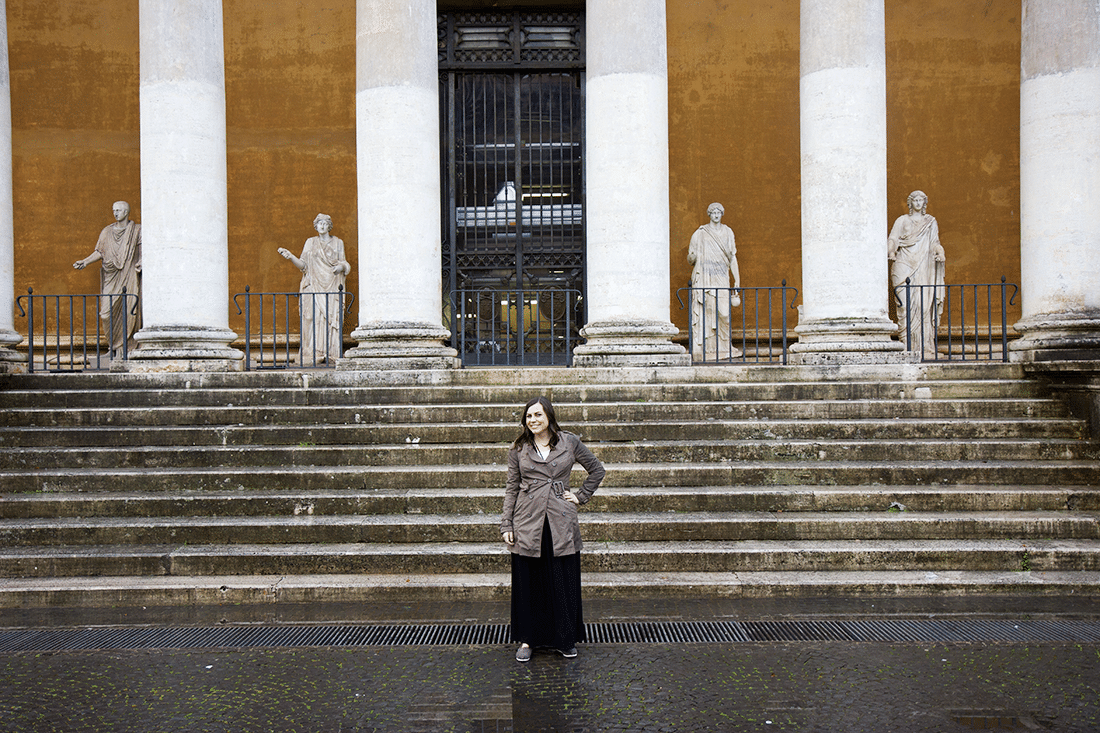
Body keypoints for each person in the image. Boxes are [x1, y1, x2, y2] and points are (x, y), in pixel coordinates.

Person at [501, 396, 605, 662]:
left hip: (560, 519)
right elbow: (512, 487)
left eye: (538, 415)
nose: (533, 420)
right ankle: (528, 639)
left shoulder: (569, 441)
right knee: (529, 582)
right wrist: (506, 523)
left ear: (549, 416)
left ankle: (565, 637)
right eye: (528, 416)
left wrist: (580, 496)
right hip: (527, 520)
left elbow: (596, 470)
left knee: (562, 579)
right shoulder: (519, 448)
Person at [278, 213, 351, 364]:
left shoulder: (338, 243)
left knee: (329, 319)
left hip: (331, 285)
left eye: (325, 223)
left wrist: (340, 267)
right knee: (311, 318)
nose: (322, 226)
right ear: (316, 226)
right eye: (319, 223)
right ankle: (312, 351)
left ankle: (330, 351)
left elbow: (345, 264)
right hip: (313, 285)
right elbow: (304, 266)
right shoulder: (310, 242)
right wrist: (291, 256)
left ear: (329, 226)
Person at [888, 190, 946, 358]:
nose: (918, 203)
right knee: (904, 305)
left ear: (925, 203)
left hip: (923, 267)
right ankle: (907, 346)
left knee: (923, 306)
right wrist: (891, 251)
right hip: (904, 264)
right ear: (910, 203)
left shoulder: (930, 222)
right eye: (915, 200)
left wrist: (940, 253)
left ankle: (925, 347)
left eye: (921, 200)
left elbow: (935, 243)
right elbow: (893, 238)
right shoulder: (902, 220)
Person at [687, 202, 741, 361]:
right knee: (707, 310)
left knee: (724, 313)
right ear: (709, 214)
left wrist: (737, 279)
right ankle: (707, 347)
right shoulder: (700, 233)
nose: (716, 215)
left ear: (722, 214)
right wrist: (692, 256)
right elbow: (691, 259)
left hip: (722, 276)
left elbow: (732, 258)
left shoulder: (728, 232)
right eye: (713, 212)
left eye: (719, 212)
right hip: (705, 276)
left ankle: (725, 345)